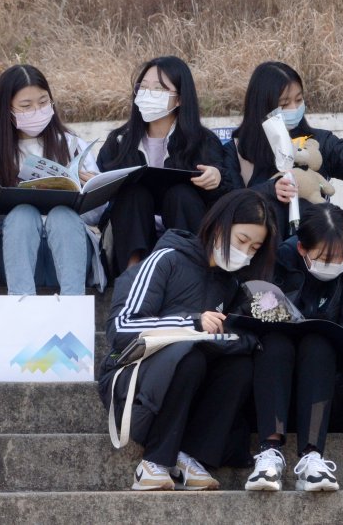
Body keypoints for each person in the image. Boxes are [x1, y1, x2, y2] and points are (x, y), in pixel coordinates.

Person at [98, 189, 278, 491]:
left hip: (184, 385)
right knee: (189, 355)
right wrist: (191, 322)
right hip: (131, 380)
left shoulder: (230, 283)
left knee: (238, 367)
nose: (245, 252)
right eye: (242, 240)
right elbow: (121, 327)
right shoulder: (166, 258)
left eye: (254, 247)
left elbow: (228, 337)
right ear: (220, 225)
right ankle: (154, 462)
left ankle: (190, 456)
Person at [245, 203, 343, 492]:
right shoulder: (276, 262)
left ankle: (313, 457)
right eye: (323, 257)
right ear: (302, 250)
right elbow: (251, 313)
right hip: (273, 389)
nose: (333, 263)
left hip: (327, 392)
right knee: (276, 342)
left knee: (319, 343)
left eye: (340, 256)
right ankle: (269, 452)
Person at [224, 61, 343, 237]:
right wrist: (270, 190)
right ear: (261, 106)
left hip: (315, 246)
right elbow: (228, 204)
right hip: (264, 251)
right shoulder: (236, 150)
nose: (294, 108)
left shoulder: (317, 141)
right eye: (284, 104)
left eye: (299, 100)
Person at [97, 56, 234, 275]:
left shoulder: (202, 141)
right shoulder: (119, 141)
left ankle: (185, 275)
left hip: (186, 234)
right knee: (133, 193)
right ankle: (132, 278)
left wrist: (216, 178)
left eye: (159, 89)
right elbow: (103, 200)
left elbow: (226, 194)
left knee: (180, 194)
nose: (148, 95)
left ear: (179, 99)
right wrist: (96, 184)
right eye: (143, 88)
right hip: (133, 235)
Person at [0, 64, 101, 295]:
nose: (37, 110)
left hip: (69, 257)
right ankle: (21, 306)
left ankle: (73, 305)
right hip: (18, 259)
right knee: (22, 214)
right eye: (26, 106)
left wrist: (92, 189)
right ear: (8, 109)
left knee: (63, 216)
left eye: (43, 102)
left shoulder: (72, 145)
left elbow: (96, 216)